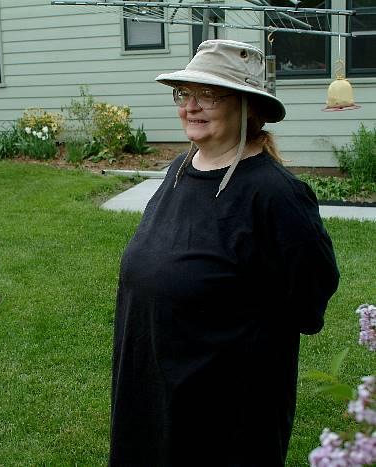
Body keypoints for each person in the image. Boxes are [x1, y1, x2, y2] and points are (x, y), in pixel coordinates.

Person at [109, 40, 340, 466]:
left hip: (223, 411)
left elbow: (310, 295)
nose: (191, 106)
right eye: (184, 94)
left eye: (210, 95)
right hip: (150, 389)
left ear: (247, 106)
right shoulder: (180, 169)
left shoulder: (275, 195)